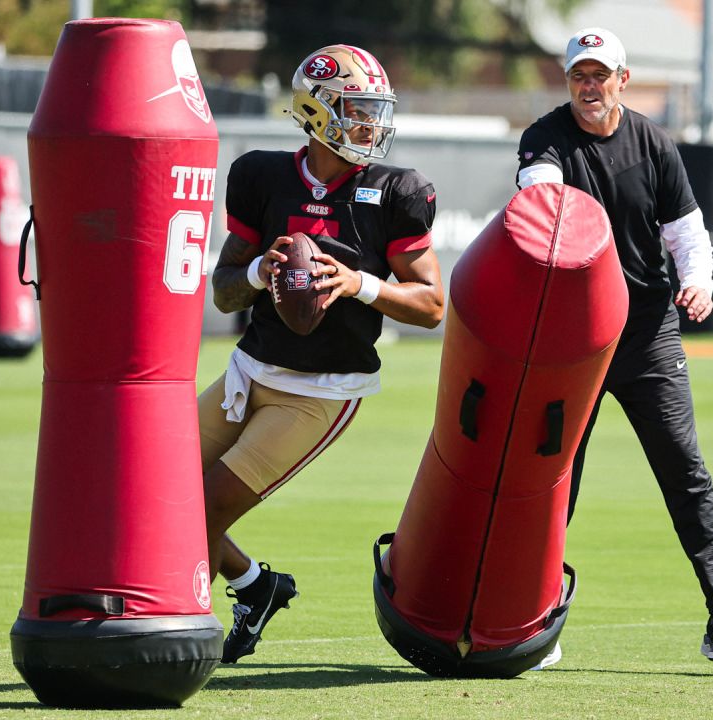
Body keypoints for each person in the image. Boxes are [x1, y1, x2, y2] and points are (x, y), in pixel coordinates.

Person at [200, 44, 444, 664]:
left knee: (201, 508)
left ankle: (173, 638)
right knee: (153, 489)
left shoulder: (395, 191)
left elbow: (432, 304)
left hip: (320, 394)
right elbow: (225, 291)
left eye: (374, 111)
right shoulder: (263, 176)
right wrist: (261, 269)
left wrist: (358, 283)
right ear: (315, 111)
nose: (371, 124)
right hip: (246, 373)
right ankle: (255, 587)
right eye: (356, 110)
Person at [516, 28, 713, 666]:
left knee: (684, 469)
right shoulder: (544, 138)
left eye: (600, 76)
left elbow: (686, 229)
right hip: (572, 336)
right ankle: (528, 621)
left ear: (622, 78)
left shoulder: (652, 141)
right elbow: (539, 201)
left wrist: (698, 281)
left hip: (647, 330)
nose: (589, 88)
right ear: (568, 82)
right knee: (553, 478)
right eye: (578, 77)